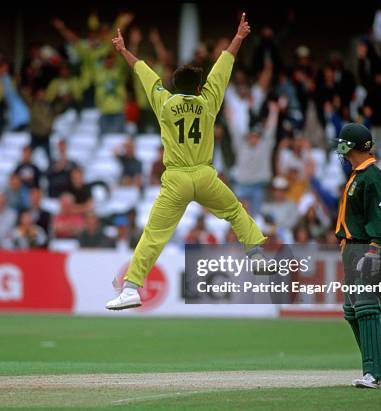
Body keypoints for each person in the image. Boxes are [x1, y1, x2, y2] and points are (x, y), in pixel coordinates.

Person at [106, 14, 266, 310]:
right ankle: (255, 253)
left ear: (174, 86)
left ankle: (130, 289)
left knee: (154, 235)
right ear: (197, 88)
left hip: (177, 179)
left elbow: (144, 72)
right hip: (205, 177)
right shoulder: (207, 103)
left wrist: (123, 50)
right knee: (233, 210)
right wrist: (239, 37)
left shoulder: (165, 103)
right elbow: (223, 66)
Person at [334, 123, 381, 388]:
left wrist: (375, 249)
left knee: (367, 307)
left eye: (344, 145)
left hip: (366, 247)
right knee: (352, 310)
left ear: (353, 146)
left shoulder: (371, 176)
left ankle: (374, 374)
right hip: (352, 248)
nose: (342, 152)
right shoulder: (358, 175)